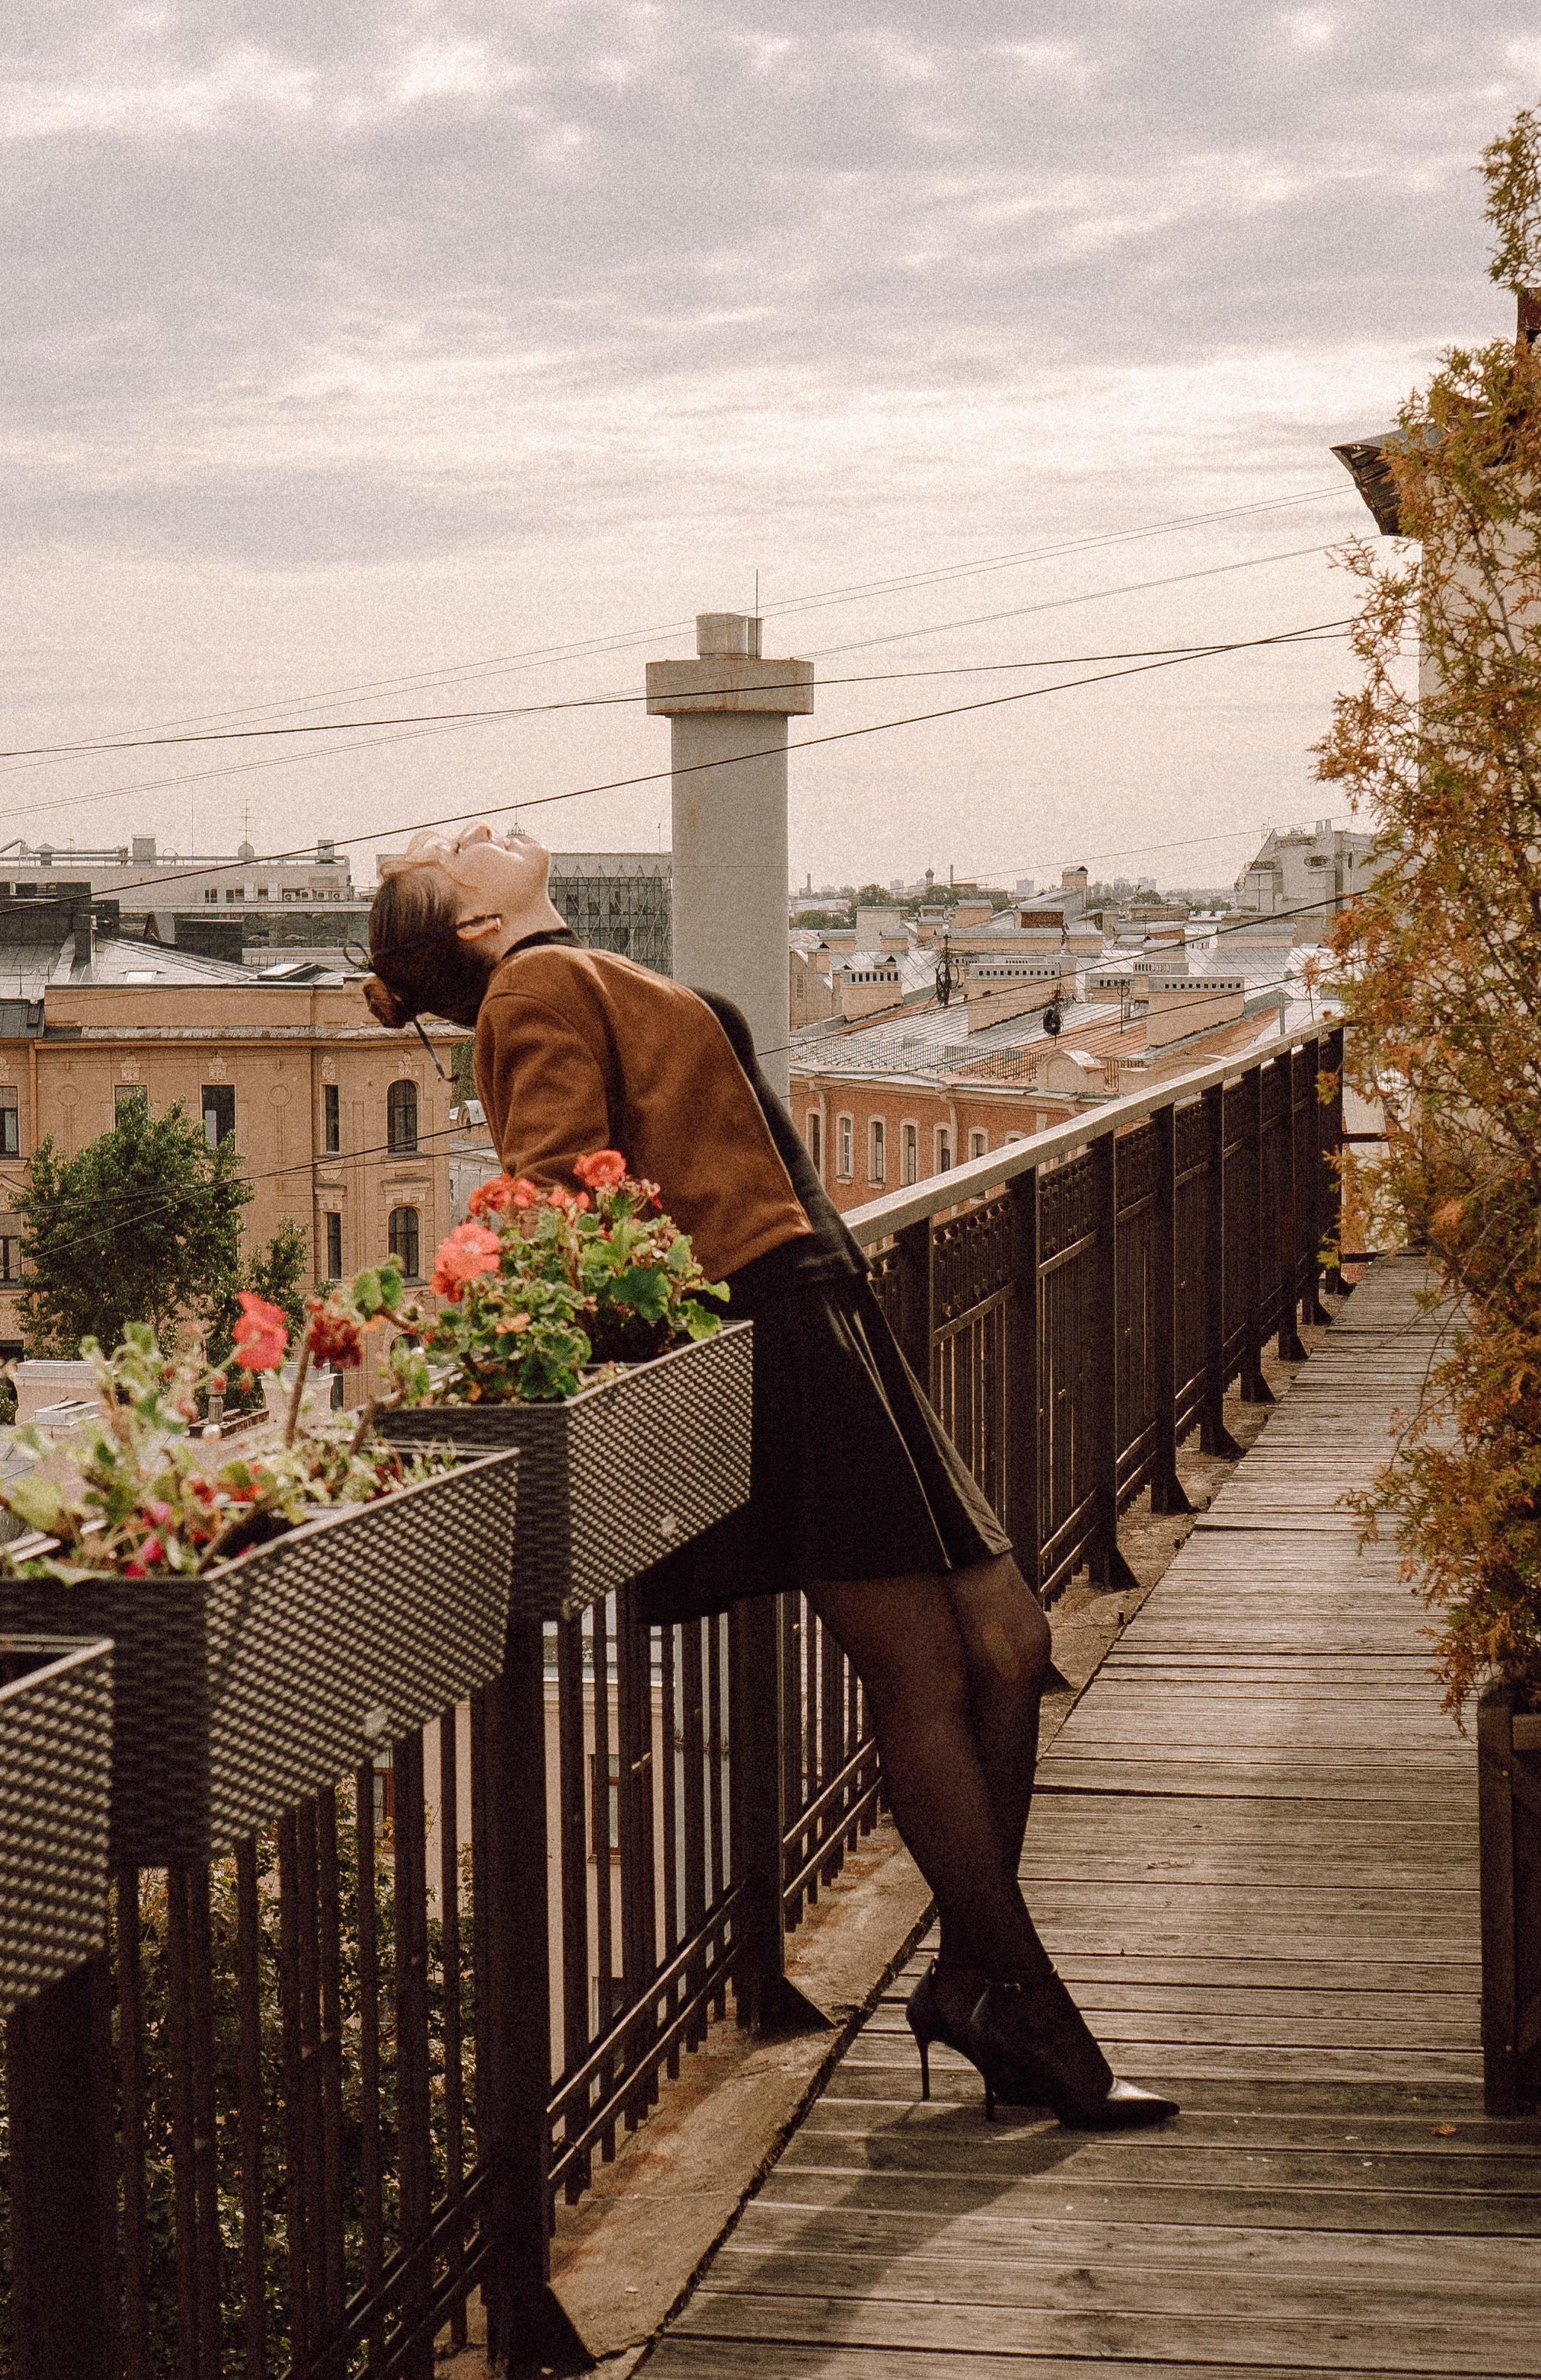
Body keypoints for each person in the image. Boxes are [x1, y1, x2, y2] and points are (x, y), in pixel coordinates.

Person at [362, 822, 1175, 2129]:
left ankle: (973, 1975)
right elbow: (555, 1192)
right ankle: (1029, 2012)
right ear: (472, 928)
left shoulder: (578, 971)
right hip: (778, 1330)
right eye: (456, 855)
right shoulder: (528, 987)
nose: (476, 835)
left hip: (830, 1309)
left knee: (1010, 1644)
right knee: (925, 1671)